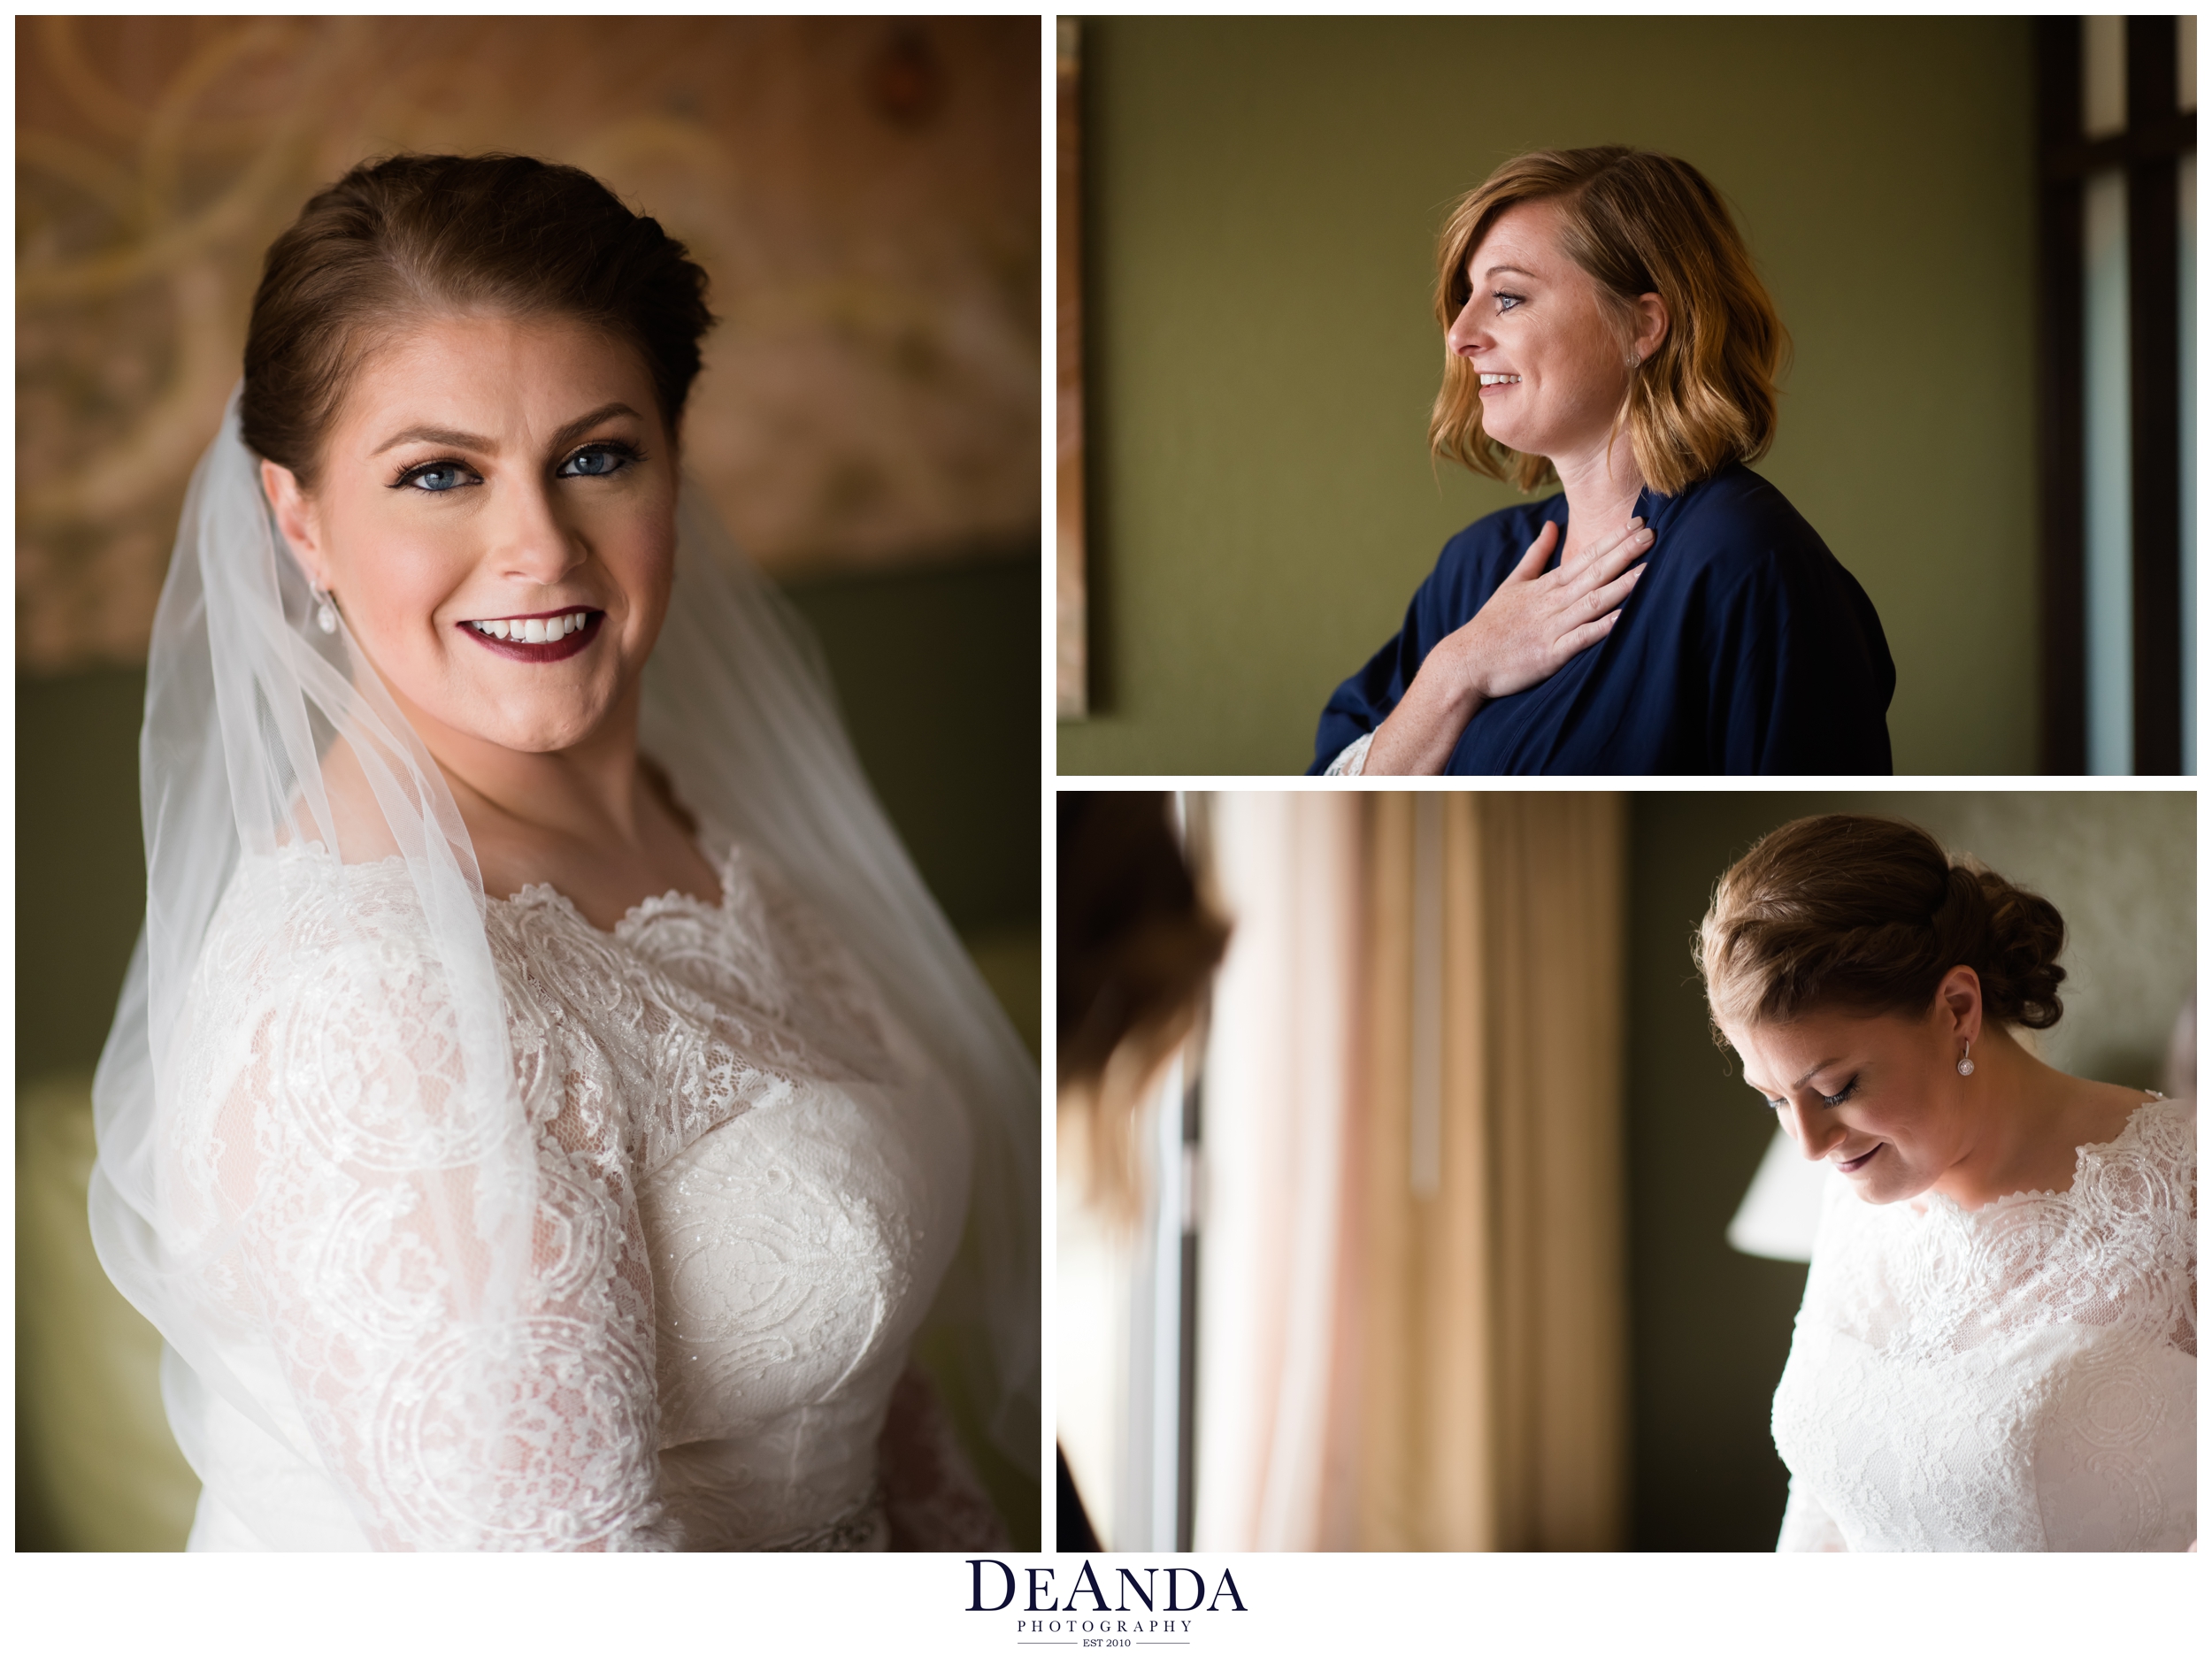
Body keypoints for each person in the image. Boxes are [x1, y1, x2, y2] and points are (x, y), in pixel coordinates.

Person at [88, 154, 1038, 1552]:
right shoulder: (380, 1002)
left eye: (596, 456)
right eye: (437, 475)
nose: (539, 547)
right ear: (300, 522)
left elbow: (864, 1384)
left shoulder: (689, 818)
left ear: (673, 464)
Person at [1697, 815, 2194, 1551]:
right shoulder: (1853, 1189)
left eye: (1835, 1088)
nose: (1808, 1145)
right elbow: (1821, 1507)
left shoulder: (2187, 1191)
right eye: (1774, 1099)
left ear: (1957, 1010)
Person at [1311, 147, 1893, 776]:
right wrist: (1457, 670)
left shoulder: (1747, 566)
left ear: (1643, 326)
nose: (1459, 334)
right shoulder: (1473, 570)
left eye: (1507, 297)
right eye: (1465, 295)